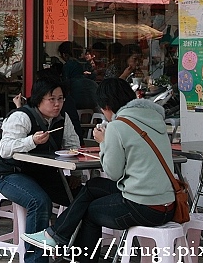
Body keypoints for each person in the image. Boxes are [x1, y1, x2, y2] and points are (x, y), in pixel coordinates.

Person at [21, 78, 176, 260]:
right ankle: (54, 235)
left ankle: (77, 255)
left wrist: (104, 143)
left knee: (89, 210)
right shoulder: (154, 120)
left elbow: (113, 173)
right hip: (168, 204)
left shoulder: (118, 127)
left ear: (107, 106)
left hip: (144, 208)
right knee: (93, 186)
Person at [0, 72, 81, 263]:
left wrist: (77, 173)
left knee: (83, 198)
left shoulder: (62, 119)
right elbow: (5, 148)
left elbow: (73, 145)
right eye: (52, 99)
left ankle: (75, 251)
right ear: (39, 100)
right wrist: (31, 141)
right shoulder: (21, 117)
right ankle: (35, 259)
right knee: (39, 202)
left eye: (60, 99)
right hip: (10, 174)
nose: (57, 104)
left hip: (44, 174)